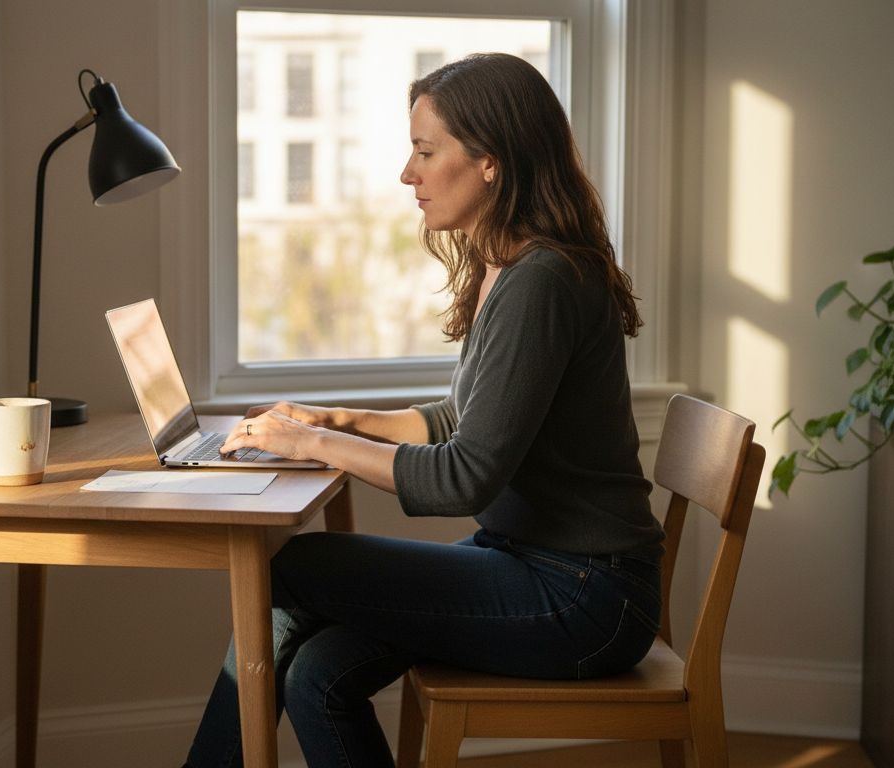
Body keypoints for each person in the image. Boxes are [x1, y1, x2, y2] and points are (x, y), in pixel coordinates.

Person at [185, 52, 663, 768]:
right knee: (318, 676)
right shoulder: (510, 265)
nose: (408, 173)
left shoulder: (542, 282)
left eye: (424, 151)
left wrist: (311, 446)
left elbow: (461, 478)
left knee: (293, 567)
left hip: (584, 599)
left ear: (490, 162)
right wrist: (333, 420)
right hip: (538, 566)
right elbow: (458, 419)